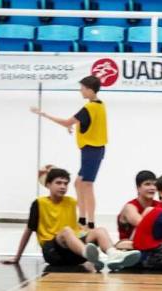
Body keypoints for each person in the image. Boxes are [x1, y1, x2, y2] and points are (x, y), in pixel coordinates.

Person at [1, 168, 140, 271]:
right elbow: (29, 230)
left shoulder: (71, 202)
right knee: (66, 231)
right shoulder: (39, 203)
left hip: (73, 251)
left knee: (100, 230)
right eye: (59, 183)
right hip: (52, 251)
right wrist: (17, 257)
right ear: (48, 185)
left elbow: (78, 228)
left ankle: (113, 255)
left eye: (66, 183)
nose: (63, 186)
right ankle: (89, 254)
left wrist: (89, 233)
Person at [31, 76, 107, 230]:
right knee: (79, 183)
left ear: (89, 89)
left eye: (83, 88)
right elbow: (88, 123)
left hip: (92, 150)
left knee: (86, 184)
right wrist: (76, 125)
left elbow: (67, 121)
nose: (81, 90)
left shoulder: (90, 107)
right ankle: (83, 219)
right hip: (91, 150)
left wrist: (43, 114)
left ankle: (90, 223)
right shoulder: (99, 105)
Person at [116, 170, 160, 250]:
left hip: (149, 245)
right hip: (128, 248)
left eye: (155, 185)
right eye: (147, 184)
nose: (152, 188)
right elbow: (143, 225)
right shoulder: (130, 207)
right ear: (138, 188)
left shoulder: (158, 205)